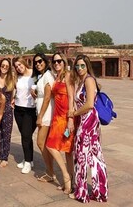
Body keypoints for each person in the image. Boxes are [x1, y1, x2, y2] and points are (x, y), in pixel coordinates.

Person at [68, 54, 108, 203]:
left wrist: (74, 113)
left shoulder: (89, 80)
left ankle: (82, 192)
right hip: (86, 120)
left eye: (82, 65)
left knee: (82, 155)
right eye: (77, 66)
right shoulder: (82, 81)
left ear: (87, 66)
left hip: (88, 121)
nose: (79, 68)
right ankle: (99, 191)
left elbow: (90, 104)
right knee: (94, 156)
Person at [46, 52, 75, 195]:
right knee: (67, 151)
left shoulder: (68, 75)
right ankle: (72, 181)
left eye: (59, 61)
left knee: (50, 145)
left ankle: (66, 176)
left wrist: (70, 118)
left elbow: (71, 97)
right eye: (54, 62)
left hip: (65, 117)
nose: (56, 64)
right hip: (57, 115)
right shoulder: (57, 76)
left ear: (64, 62)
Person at [31, 53, 61, 187]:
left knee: (40, 143)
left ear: (45, 61)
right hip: (44, 112)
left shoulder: (48, 75)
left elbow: (48, 97)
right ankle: (51, 171)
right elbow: (44, 95)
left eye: (40, 61)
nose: (38, 64)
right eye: (36, 62)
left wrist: (40, 116)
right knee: (46, 144)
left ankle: (50, 172)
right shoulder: (42, 76)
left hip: (46, 114)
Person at [13, 57, 36, 174]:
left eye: (20, 65)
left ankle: (27, 162)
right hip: (18, 108)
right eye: (16, 66)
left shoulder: (34, 74)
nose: (18, 67)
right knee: (25, 135)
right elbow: (15, 91)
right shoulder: (17, 77)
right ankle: (29, 159)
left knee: (26, 135)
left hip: (30, 109)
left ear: (24, 63)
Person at [0, 58, 16, 167]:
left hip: (8, 109)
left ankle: (5, 157)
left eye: (6, 66)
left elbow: (23, 91)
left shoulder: (11, 81)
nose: (4, 68)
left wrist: (15, 99)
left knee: (6, 134)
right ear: (0, 67)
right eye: (3, 66)